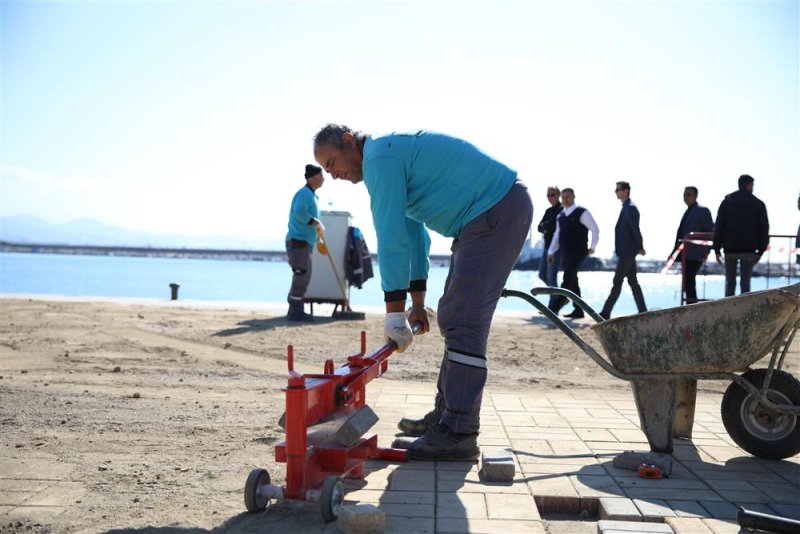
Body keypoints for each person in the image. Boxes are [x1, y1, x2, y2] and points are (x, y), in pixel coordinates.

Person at [313, 124, 532, 461]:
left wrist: (393, 314)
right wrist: (416, 304)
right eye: (327, 170)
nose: (334, 175)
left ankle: (458, 430)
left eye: (332, 164)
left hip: (495, 209)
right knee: (453, 315)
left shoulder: (380, 161)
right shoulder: (387, 157)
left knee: (463, 319)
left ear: (347, 141)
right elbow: (415, 236)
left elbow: (391, 239)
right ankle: (446, 417)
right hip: (485, 215)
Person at [713, 174, 770, 296]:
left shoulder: (726, 203)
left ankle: (728, 312)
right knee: (745, 285)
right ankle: (745, 313)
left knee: (730, 284)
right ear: (749, 185)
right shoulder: (758, 204)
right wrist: (761, 250)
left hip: (729, 249)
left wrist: (717, 249)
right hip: (749, 250)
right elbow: (764, 229)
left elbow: (718, 227)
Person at [546, 188, 599, 319]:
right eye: (563, 197)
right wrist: (551, 251)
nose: (565, 199)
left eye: (568, 196)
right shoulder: (561, 216)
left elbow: (595, 229)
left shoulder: (582, 212)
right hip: (566, 252)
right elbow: (557, 235)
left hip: (579, 251)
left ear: (574, 197)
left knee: (568, 277)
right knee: (573, 280)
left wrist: (592, 247)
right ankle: (578, 310)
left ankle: (554, 307)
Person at [284, 164, 326, 322]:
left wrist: (318, 234)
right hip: (298, 240)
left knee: (304, 275)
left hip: (305, 241)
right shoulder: (304, 194)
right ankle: (296, 310)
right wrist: (315, 222)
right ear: (314, 177)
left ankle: (294, 309)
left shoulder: (312, 195)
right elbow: (299, 213)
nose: (323, 179)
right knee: (301, 275)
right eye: (322, 176)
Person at [599, 182, 646, 319]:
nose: (616, 192)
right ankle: (643, 311)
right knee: (633, 282)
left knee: (617, 281)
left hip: (628, 252)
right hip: (626, 251)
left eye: (618, 189)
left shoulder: (631, 208)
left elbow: (635, 229)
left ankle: (605, 312)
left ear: (626, 191)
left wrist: (640, 246)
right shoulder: (626, 207)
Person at [669, 186, 714, 303]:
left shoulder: (702, 211)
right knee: (687, 281)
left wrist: (706, 252)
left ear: (695, 196)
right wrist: (674, 253)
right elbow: (681, 234)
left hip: (696, 253)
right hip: (686, 254)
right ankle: (691, 306)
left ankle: (692, 307)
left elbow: (711, 233)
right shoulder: (688, 211)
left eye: (688, 194)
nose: (685, 197)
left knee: (689, 279)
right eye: (684, 194)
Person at [536, 186, 563, 308]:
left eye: (552, 195)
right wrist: (545, 227)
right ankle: (559, 298)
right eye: (548, 195)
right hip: (546, 248)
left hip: (556, 248)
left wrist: (546, 226)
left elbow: (553, 226)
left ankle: (552, 307)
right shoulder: (548, 211)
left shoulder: (562, 209)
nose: (550, 198)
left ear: (558, 195)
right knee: (542, 275)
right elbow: (539, 227)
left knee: (551, 278)